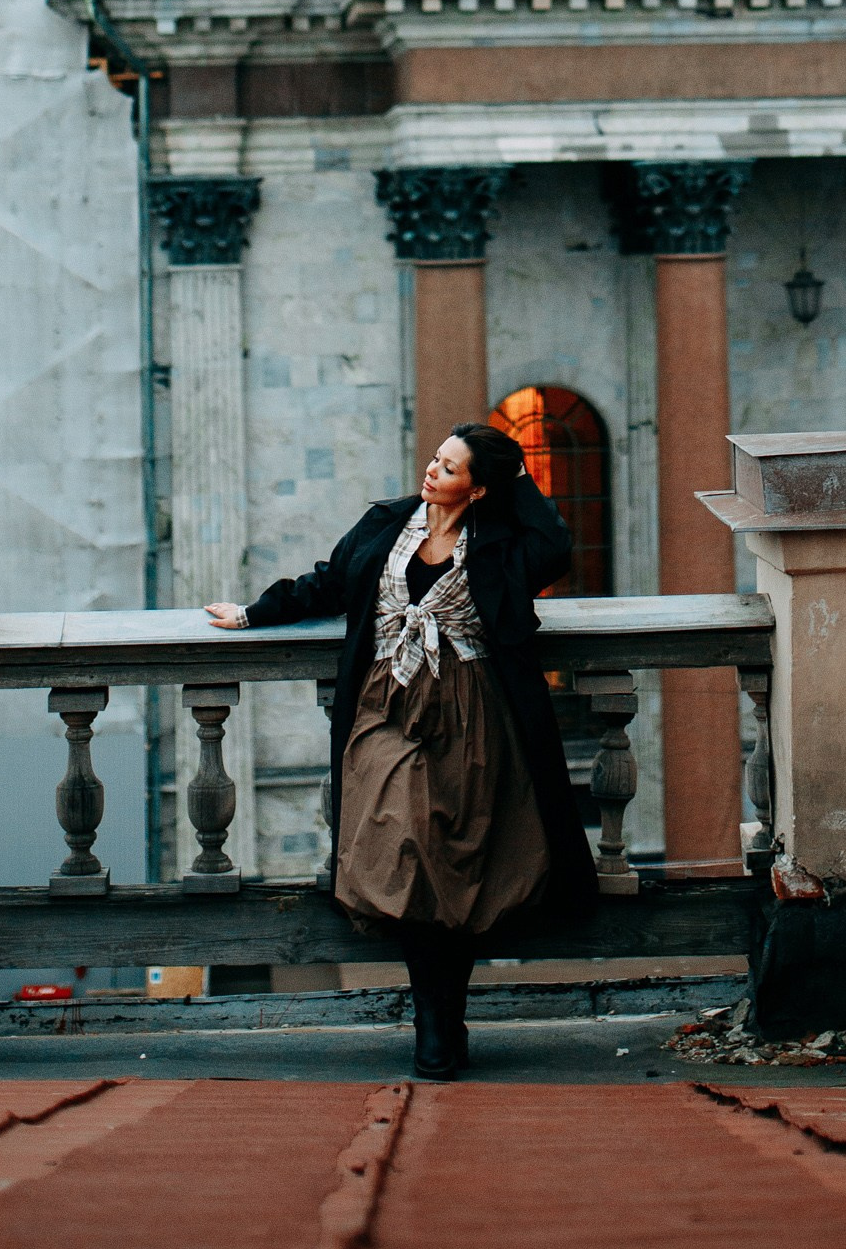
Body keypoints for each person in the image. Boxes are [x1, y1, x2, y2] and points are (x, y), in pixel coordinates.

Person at [209, 424, 596, 1079]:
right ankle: (436, 1021)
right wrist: (252, 614)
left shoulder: (502, 542)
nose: (431, 472)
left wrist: (520, 477)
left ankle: (441, 1021)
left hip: (472, 714)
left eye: (449, 468)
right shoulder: (388, 523)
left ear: (478, 487)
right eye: (435, 459)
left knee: (453, 865)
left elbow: (555, 549)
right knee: (408, 845)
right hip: (387, 708)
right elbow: (328, 583)